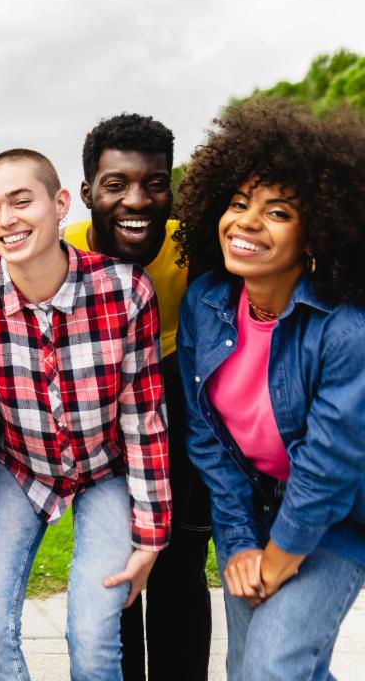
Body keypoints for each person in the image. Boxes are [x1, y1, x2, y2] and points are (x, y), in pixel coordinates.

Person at [0, 149, 171, 680]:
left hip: (104, 468)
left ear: (61, 204)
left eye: (21, 201)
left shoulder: (125, 289)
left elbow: (144, 421)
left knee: (94, 634)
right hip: (19, 465)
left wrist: (151, 533)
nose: (6, 219)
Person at [173, 99, 365, 681]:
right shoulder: (206, 304)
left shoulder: (345, 330)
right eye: (237, 204)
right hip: (253, 510)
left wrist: (280, 557)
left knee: (272, 669)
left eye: (277, 212)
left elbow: (330, 464)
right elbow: (207, 437)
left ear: (317, 235)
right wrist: (236, 545)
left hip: (337, 518)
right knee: (254, 669)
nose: (246, 223)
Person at [64, 113, 212, 680]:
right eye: (116, 184)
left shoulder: (191, 246)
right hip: (99, 404)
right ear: (86, 194)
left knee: (177, 567)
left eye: (154, 183)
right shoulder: (63, 252)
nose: (138, 200)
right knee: (114, 569)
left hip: (175, 389)